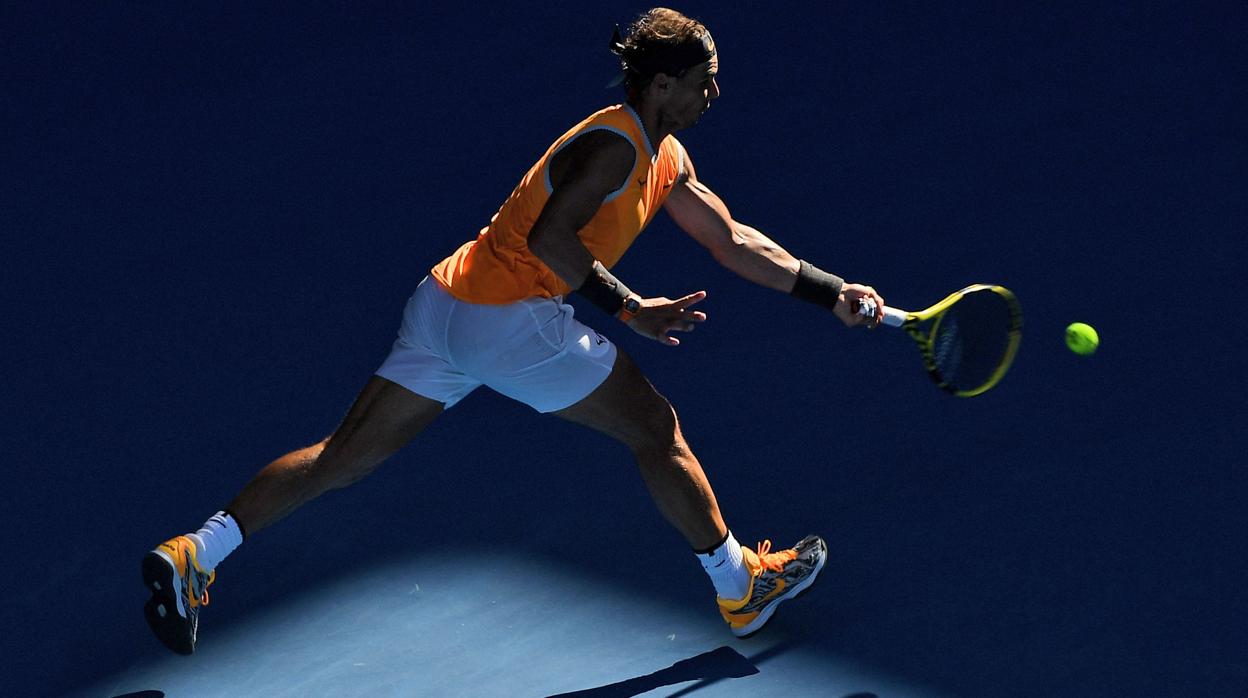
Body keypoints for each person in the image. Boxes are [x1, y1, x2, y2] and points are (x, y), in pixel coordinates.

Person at [142, 7, 886, 655]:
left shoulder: (665, 156)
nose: (712, 94)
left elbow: (731, 241)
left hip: (446, 303)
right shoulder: (617, 147)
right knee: (655, 429)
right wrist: (631, 309)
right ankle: (739, 587)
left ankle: (194, 553)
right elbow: (554, 240)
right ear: (662, 86)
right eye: (703, 81)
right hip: (507, 319)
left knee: (342, 458)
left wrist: (830, 293)